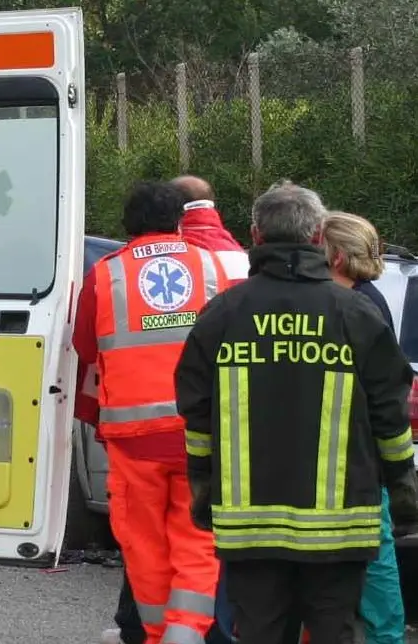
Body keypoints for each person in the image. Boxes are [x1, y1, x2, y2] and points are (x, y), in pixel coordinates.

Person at [176, 181, 418, 644]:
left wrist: (203, 492)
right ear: (317, 236)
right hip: (342, 531)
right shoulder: (355, 314)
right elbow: (392, 419)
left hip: (250, 533)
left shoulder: (222, 315)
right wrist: (404, 494)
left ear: (255, 235)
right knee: (334, 633)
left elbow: (198, 418)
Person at [75, 181, 231, 644]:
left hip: (134, 436)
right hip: (200, 430)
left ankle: (160, 631)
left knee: (142, 541)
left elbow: (84, 345)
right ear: (181, 219)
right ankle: (188, 629)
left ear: (128, 225)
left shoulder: (106, 274)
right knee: (197, 534)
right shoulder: (210, 266)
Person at [320, 211, 406, 644]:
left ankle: (384, 637)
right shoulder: (367, 298)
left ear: (335, 256)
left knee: (375, 557)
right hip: (358, 453)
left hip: (356, 454)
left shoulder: (358, 306)